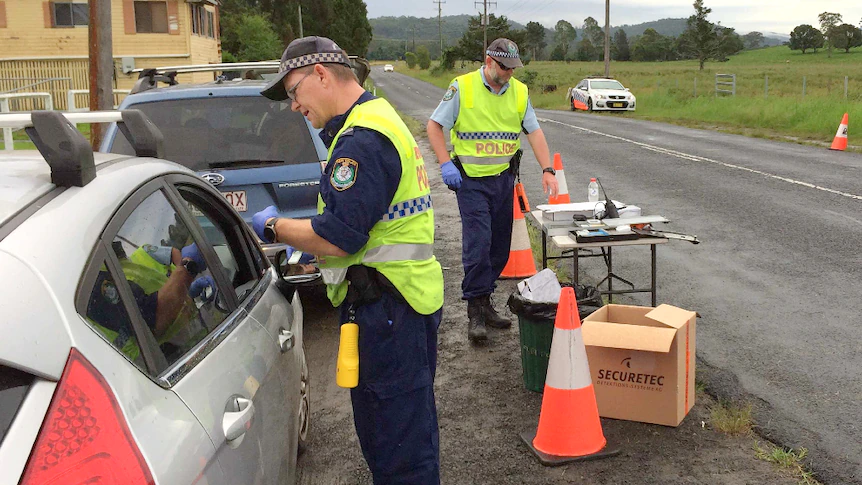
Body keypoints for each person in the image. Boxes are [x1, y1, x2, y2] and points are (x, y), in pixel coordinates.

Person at [253, 36, 444, 485]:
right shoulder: (374, 120)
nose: (293, 106)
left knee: (399, 450)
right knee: (400, 437)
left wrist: (273, 227)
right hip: (397, 303)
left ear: (320, 74)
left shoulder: (361, 140)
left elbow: (339, 236)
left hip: (389, 310)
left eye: (293, 92)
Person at [426, 38, 559, 344]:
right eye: (504, 67)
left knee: (499, 247)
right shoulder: (462, 88)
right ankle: (475, 309)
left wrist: (547, 169)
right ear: (488, 61)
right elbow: (434, 126)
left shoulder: (520, 92)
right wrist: (445, 163)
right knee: (478, 243)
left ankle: (486, 302)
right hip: (470, 181)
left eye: (513, 67)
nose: (509, 73)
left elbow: (534, 132)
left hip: (503, 180)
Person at [87, 241, 214, 362]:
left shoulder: (113, 262)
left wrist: (186, 292)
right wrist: (188, 267)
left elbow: (150, 297)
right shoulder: (95, 283)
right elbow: (154, 318)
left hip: (195, 342)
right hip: (172, 358)